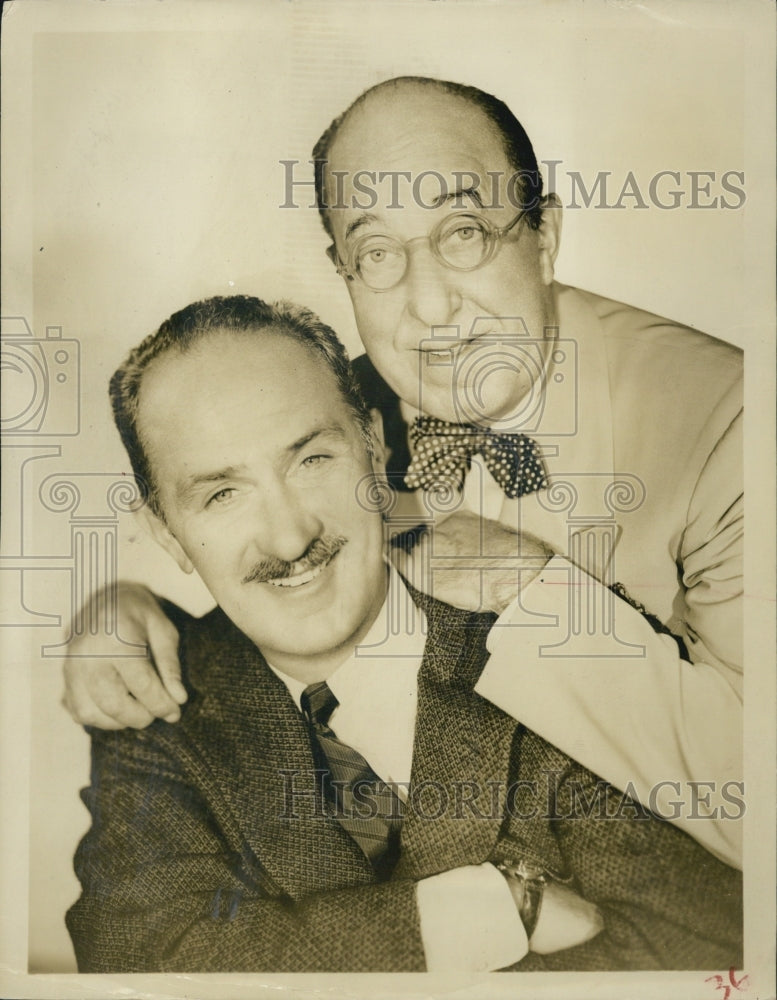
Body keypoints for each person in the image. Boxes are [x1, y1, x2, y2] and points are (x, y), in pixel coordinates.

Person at [63, 77, 743, 869]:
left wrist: (537, 593)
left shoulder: (730, 424)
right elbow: (256, 544)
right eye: (378, 253)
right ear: (342, 272)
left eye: (464, 232)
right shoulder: (342, 411)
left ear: (544, 234)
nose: (429, 306)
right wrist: (124, 608)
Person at [66, 295, 741, 973]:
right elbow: (132, 955)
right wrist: (499, 909)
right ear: (165, 532)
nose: (288, 536)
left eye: (312, 460)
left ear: (374, 446)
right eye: (221, 494)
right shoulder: (157, 696)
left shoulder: (540, 642)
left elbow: (706, 945)